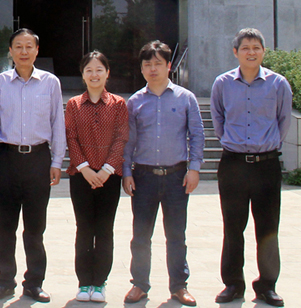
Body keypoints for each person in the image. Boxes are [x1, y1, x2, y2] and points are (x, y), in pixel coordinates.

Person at [210, 28, 292, 307]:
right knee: (233, 227)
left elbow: (283, 120)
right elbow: (218, 118)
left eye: (256, 47)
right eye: (245, 47)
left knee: (267, 228)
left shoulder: (278, 84)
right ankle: (233, 284)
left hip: (266, 165)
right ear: (236, 52)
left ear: (264, 52)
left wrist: (266, 145)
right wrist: (232, 142)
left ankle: (267, 286)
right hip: (233, 164)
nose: (251, 52)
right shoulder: (222, 83)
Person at [0, 29, 67, 303]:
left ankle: (34, 283)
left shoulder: (50, 83)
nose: (23, 51)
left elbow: (58, 123)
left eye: (28, 46)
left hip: (38, 159)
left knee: (34, 229)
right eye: (18, 46)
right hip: (7, 159)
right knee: (5, 228)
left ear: (36, 50)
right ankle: (5, 282)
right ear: (10, 51)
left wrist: (57, 161)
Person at [123, 41, 204, 307]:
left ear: (169, 66)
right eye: (147, 64)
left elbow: (197, 135)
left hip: (176, 176)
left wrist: (194, 168)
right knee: (141, 235)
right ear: (141, 68)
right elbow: (128, 141)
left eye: (158, 63)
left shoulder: (185, 98)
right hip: (144, 177)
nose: (153, 69)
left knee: (176, 235)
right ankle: (139, 285)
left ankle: (179, 286)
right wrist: (127, 172)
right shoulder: (135, 101)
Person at [65, 51, 129, 304]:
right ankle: (84, 283)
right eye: (89, 70)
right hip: (81, 176)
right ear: (83, 75)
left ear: (107, 73)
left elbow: (121, 138)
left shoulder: (118, 104)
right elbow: (71, 137)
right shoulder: (73, 104)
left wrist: (106, 170)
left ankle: (100, 282)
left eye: (99, 69)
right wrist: (85, 169)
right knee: (83, 229)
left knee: (104, 230)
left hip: (109, 177)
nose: (94, 75)